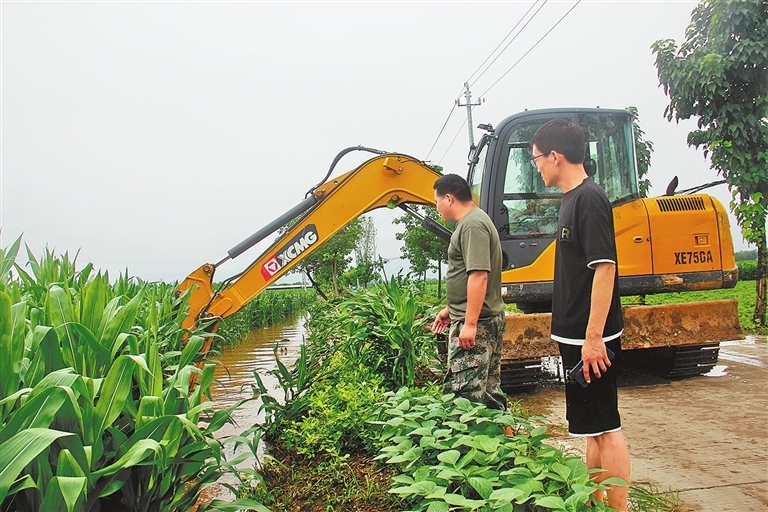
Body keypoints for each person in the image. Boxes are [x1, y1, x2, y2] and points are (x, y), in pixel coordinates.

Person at [530, 118, 631, 511]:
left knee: (608, 429)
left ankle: (618, 508)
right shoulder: (571, 198)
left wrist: (593, 338)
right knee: (592, 430)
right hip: (576, 337)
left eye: (538, 158)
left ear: (556, 156)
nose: (537, 166)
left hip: (593, 340)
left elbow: (604, 268)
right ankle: (594, 501)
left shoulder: (588, 199)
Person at [430, 174, 508, 413]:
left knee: (462, 399)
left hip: (478, 325)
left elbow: (479, 275)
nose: (437, 207)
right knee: (489, 393)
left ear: (449, 198)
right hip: (481, 318)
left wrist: (470, 323)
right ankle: (506, 444)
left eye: (436, 201)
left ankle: (464, 448)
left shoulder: (472, 225)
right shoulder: (475, 221)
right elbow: (468, 275)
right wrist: (450, 309)